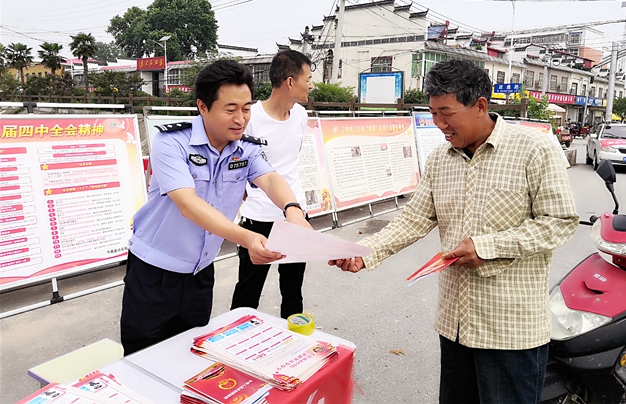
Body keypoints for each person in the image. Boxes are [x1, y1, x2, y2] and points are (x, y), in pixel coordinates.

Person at [330, 59, 579, 403]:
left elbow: (560, 222)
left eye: (446, 112)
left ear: (479, 106)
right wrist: (365, 254)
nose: (438, 123)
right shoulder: (439, 159)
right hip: (456, 325)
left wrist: (488, 246)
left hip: (509, 328)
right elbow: (413, 218)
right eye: (432, 113)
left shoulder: (534, 150)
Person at [120, 59, 311, 356]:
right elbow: (188, 204)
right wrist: (247, 238)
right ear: (203, 107)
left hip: (200, 274)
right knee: (143, 359)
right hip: (154, 273)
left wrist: (293, 211)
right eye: (230, 109)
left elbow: (271, 178)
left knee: (190, 358)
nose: (240, 119)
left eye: (246, 109)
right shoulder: (172, 143)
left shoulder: (245, 147)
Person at [230, 50, 314, 319]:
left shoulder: (301, 115)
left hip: (295, 215)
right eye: (308, 78)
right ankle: (236, 341)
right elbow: (241, 166)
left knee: (293, 291)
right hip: (258, 219)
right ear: (290, 82)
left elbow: (292, 158)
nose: (312, 85)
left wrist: (295, 209)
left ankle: (293, 343)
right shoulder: (250, 117)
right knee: (248, 291)